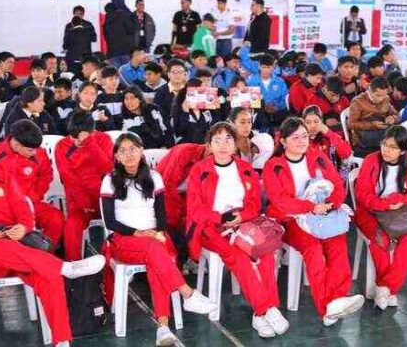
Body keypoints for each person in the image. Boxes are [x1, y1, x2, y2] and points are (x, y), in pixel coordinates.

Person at [0, 135, 106, 347]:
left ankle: (62, 341)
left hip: (18, 250)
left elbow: (24, 210)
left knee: (49, 276)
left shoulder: (1, 177)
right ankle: (65, 267)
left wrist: (22, 227)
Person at [101, 132, 216, 345]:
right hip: (123, 240)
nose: (129, 154)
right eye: (123, 150)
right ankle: (187, 294)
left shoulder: (154, 177)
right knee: (155, 250)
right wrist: (139, 233)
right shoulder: (109, 181)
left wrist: (157, 232)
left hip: (153, 237)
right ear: (116, 156)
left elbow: (162, 216)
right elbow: (110, 222)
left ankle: (163, 328)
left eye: (133, 149)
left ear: (142, 150)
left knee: (156, 255)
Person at [185, 122, 288, 337]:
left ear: (235, 144)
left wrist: (242, 216)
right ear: (209, 145)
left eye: (228, 140)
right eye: (217, 140)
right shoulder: (200, 170)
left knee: (266, 253)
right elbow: (195, 209)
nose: (223, 145)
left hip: (244, 222)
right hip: (211, 227)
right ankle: (267, 309)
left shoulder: (245, 168)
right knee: (238, 257)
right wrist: (220, 218)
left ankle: (260, 317)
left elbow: (254, 204)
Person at [263, 117, 365, 325]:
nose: (301, 141)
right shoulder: (274, 166)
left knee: (338, 245)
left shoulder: (318, 157)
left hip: (323, 214)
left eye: (304, 136)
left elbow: (337, 184)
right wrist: (310, 207)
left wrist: (332, 204)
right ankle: (326, 307)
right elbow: (279, 200)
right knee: (314, 250)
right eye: (295, 138)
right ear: (282, 141)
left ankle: (338, 299)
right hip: (291, 219)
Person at [354, 125, 407, 309]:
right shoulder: (371, 161)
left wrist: (400, 200)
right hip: (369, 211)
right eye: (384, 144)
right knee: (380, 241)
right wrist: (384, 204)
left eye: (393, 147)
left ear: (403, 151)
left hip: (398, 213)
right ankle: (388, 290)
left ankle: (385, 288)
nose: (386, 150)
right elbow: (362, 194)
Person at [0, 120, 64, 247]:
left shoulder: (38, 152)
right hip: (3, 209)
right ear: (17, 144)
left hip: (31, 202)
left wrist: (36, 195)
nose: (35, 153)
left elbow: (46, 175)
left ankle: (47, 256)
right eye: (30, 150)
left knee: (56, 219)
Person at [55, 110, 114, 260]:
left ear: (92, 131)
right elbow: (69, 179)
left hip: (105, 198)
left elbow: (108, 169)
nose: (77, 142)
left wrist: (90, 144)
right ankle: (73, 266)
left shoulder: (103, 139)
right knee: (71, 226)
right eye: (73, 137)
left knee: (118, 224)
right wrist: (85, 203)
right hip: (79, 201)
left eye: (81, 138)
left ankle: (110, 264)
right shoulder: (61, 146)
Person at [348, 77, 399, 157]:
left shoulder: (386, 99)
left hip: (382, 129)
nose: (381, 99)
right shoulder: (358, 102)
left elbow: (395, 114)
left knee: (400, 130)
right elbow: (351, 124)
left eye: (384, 95)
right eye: (378, 95)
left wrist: (392, 118)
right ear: (370, 91)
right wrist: (372, 125)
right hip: (364, 135)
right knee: (393, 137)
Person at [246, 54, 289, 132]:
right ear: (259, 66)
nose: (266, 70)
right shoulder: (251, 82)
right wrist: (262, 107)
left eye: (268, 67)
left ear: (273, 67)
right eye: (263, 67)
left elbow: (285, 99)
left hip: (278, 115)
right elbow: (248, 102)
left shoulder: (280, 82)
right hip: (259, 117)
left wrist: (277, 107)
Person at [103, 3, 138, 67]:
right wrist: (134, 19)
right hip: (125, 51)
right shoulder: (122, 16)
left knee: (115, 75)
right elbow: (131, 30)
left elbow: (106, 38)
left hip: (112, 53)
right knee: (126, 73)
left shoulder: (106, 22)